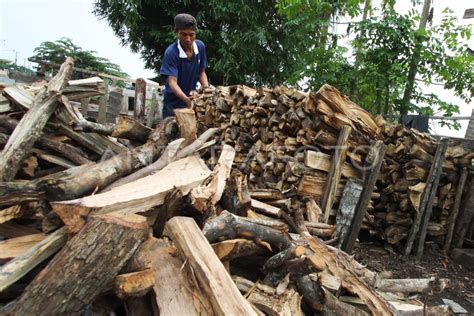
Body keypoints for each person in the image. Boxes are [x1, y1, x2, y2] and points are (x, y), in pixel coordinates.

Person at [160, 13, 208, 118]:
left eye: (191, 34)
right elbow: (172, 82)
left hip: (191, 98)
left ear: (195, 33)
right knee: (171, 131)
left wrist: (207, 91)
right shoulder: (171, 52)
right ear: (177, 32)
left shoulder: (200, 47)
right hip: (173, 103)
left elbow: (201, 72)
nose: (188, 39)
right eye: (184, 34)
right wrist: (186, 99)